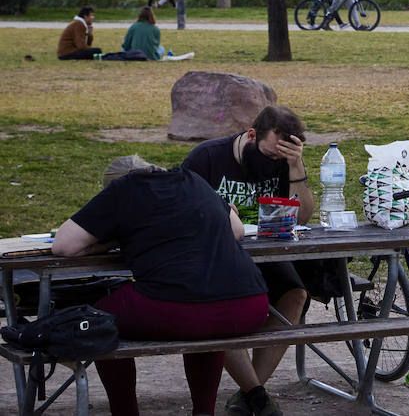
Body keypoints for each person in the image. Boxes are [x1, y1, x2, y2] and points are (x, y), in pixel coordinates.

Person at [51, 155, 269, 416]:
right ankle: (203, 412)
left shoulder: (123, 190)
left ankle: (126, 412)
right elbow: (237, 231)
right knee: (205, 326)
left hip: (177, 307)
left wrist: (108, 241)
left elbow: (63, 246)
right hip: (248, 306)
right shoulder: (193, 180)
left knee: (100, 322)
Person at [182, 106, 313, 416]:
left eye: (281, 158)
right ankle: (257, 396)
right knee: (215, 306)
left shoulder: (285, 161)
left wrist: (295, 165)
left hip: (265, 251)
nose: (274, 164)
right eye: (270, 156)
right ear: (252, 135)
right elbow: (181, 207)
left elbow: (304, 216)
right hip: (215, 254)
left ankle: (249, 393)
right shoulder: (208, 157)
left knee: (295, 294)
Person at [121, 6, 193, 60]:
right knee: (161, 48)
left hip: (134, 55)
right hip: (151, 56)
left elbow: (126, 45)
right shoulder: (156, 29)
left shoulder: (133, 26)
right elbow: (155, 46)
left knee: (123, 47)